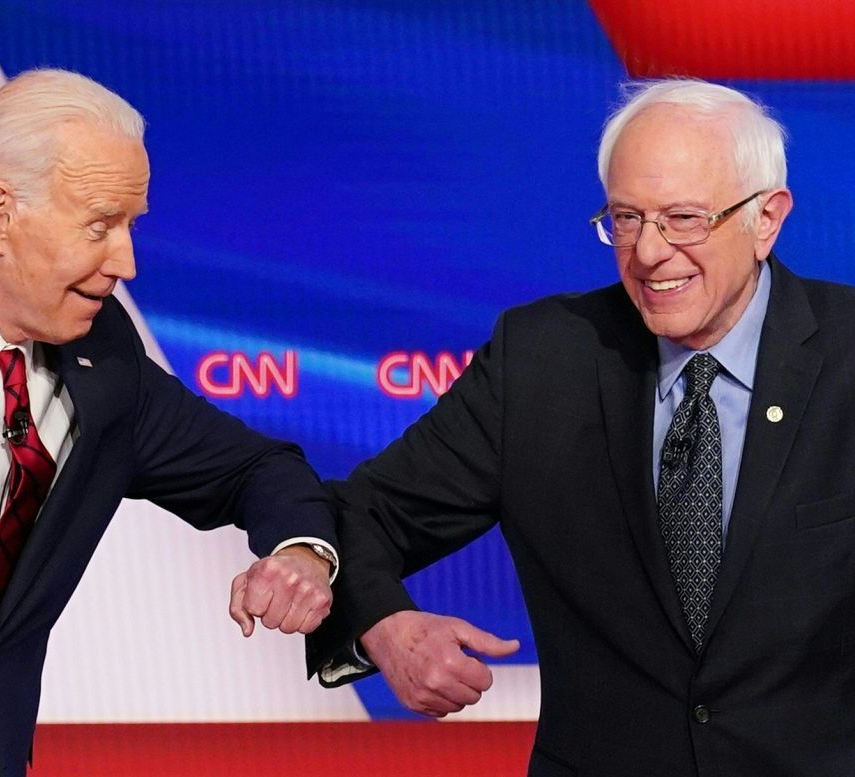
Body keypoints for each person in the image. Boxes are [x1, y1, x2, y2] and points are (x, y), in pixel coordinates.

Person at [310, 78, 855, 777]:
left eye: (684, 218)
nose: (650, 252)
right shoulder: (542, 359)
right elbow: (361, 514)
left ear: (767, 218)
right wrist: (383, 625)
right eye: (627, 219)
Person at [0, 69, 338, 777]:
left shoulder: (104, 361)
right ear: (1, 214)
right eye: (100, 225)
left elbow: (255, 467)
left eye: (131, 226)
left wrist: (300, 552)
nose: (125, 261)